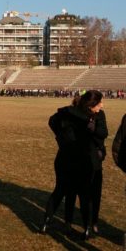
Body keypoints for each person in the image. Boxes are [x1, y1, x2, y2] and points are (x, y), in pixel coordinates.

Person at [41, 90, 108, 240]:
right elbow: (99, 137)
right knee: (82, 194)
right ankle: (86, 228)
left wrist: (62, 137)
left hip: (68, 158)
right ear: (90, 105)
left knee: (62, 191)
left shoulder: (71, 112)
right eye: (99, 103)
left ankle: (49, 222)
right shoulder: (81, 114)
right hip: (81, 160)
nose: (102, 105)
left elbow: (53, 120)